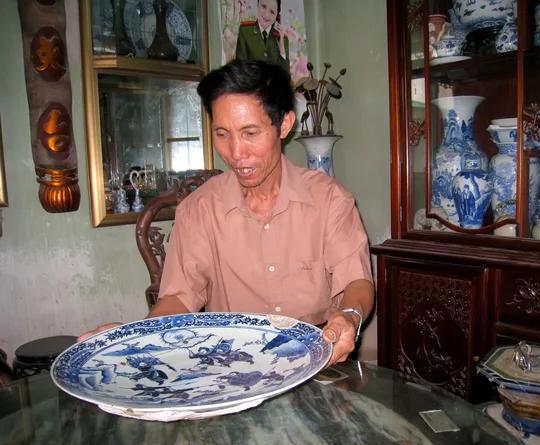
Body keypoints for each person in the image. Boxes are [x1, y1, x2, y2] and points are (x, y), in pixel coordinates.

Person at [80, 60, 374, 367]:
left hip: (315, 357)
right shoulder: (200, 208)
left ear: (284, 125)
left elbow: (357, 281)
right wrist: (135, 337)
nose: (236, 153)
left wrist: (349, 317)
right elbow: (179, 298)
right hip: (232, 366)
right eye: (222, 134)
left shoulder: (329, 200)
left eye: (250, 133)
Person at [235, 0, 290, 75]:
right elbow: (240, 68)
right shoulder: (245, 31)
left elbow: (286, 77)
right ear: (258, 5)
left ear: (277, 16)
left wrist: (281, 48)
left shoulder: (283, 39)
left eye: (272, 12)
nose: (267, 15)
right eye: (264, 7)